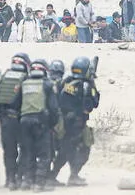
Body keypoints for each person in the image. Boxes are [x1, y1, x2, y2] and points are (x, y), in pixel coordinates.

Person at [52, 57, 100, 186]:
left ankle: (52, 176)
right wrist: (93, 84)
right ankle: (72, 176)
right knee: (83, 150)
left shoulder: (66, 82)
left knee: (65, 150)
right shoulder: (85, 85)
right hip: (77, 124)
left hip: (62, 123)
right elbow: (92, 104)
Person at [19, 59, 59, 191]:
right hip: (41, 123)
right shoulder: (47, 84)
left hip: (24, 122)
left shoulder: (24, 83)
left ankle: (27, 182)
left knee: (28, 152)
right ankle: (39, 184)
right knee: (44, 154)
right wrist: (52, 124)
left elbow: (15, 103)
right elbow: (53, 108)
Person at [0, 53, 31, 190]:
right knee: (25, 149)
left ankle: (10, 180)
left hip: (5, 119)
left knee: (9, 151)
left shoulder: (4, 76)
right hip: (20, 120)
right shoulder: (26, 79)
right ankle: (20, 177)